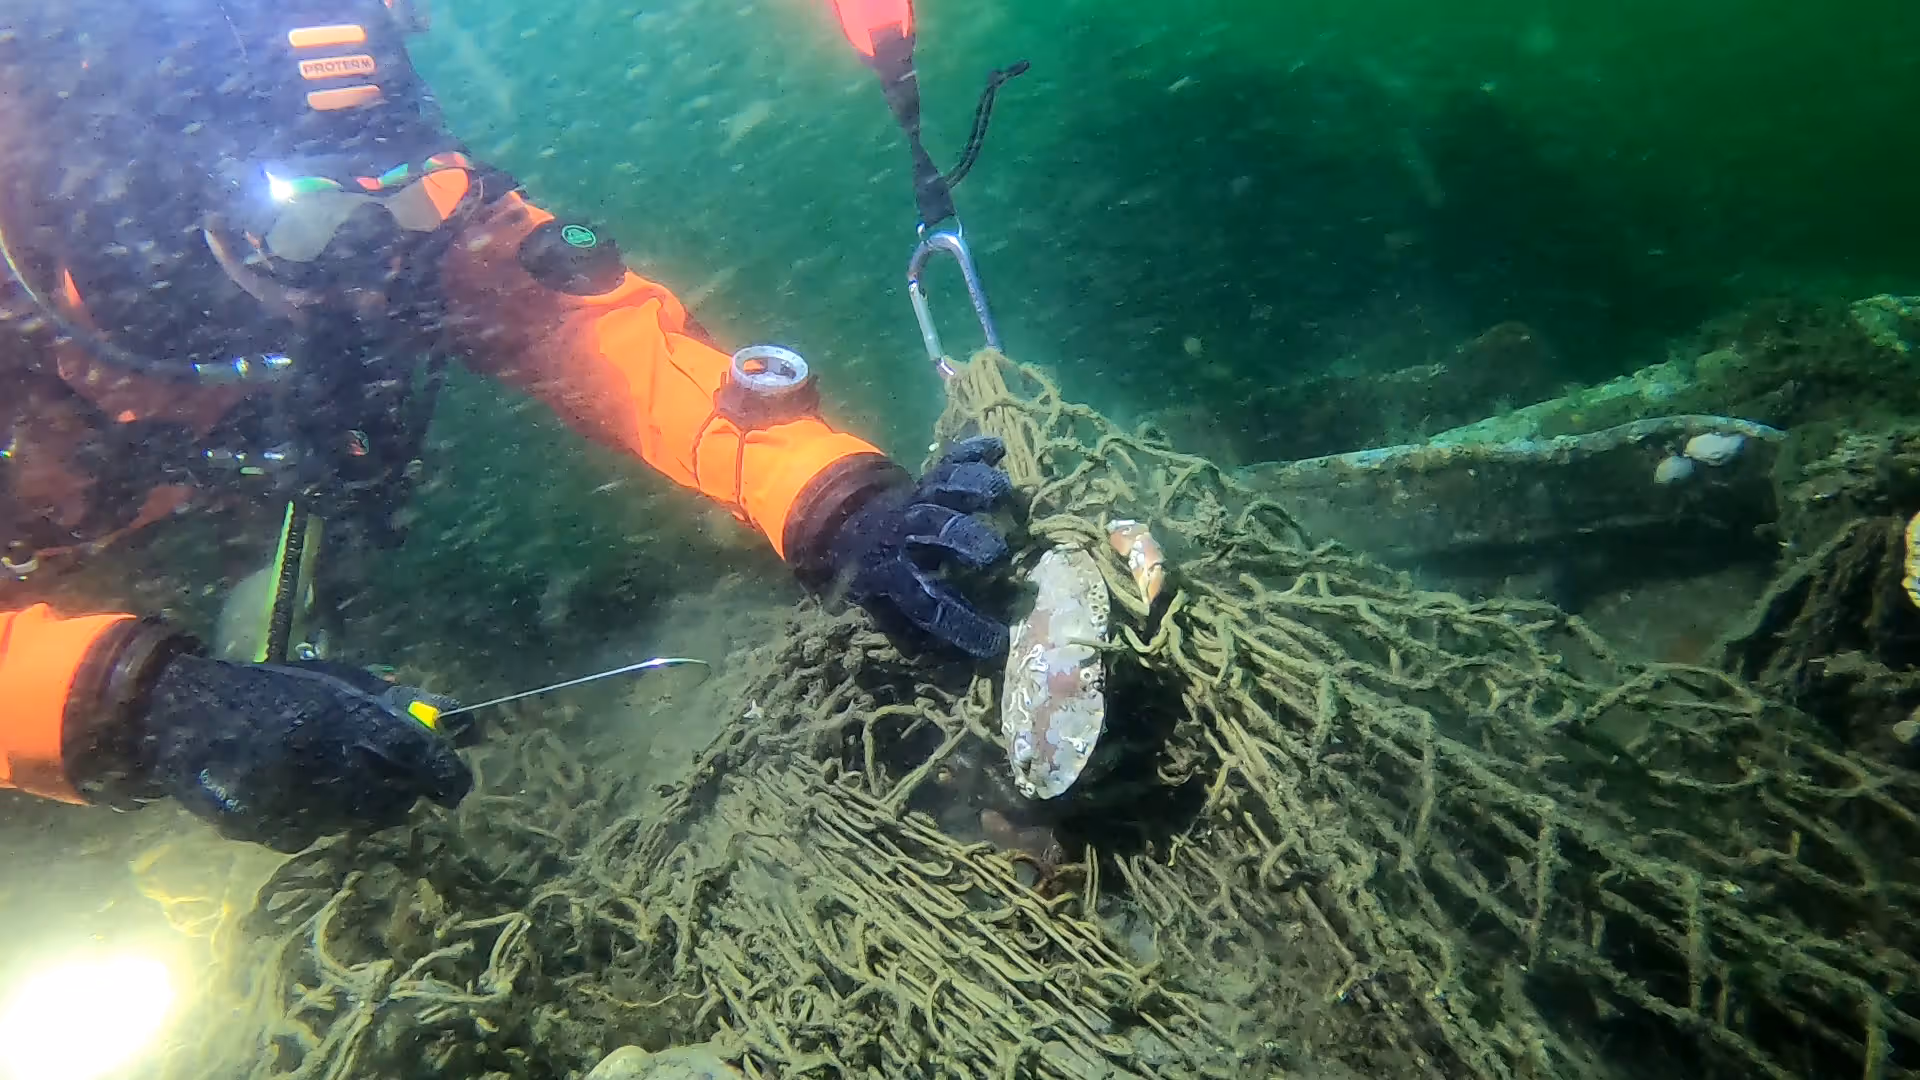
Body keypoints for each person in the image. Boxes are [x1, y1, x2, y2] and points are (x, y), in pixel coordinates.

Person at [0, 0, 1013, 853]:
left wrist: (830, 498)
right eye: (318, 225)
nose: (378, 264)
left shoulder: (404, 226)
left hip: (227, 514)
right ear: (178, 222)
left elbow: (594, 337)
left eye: (408, 202)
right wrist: (149, 704)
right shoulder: (38, 311)